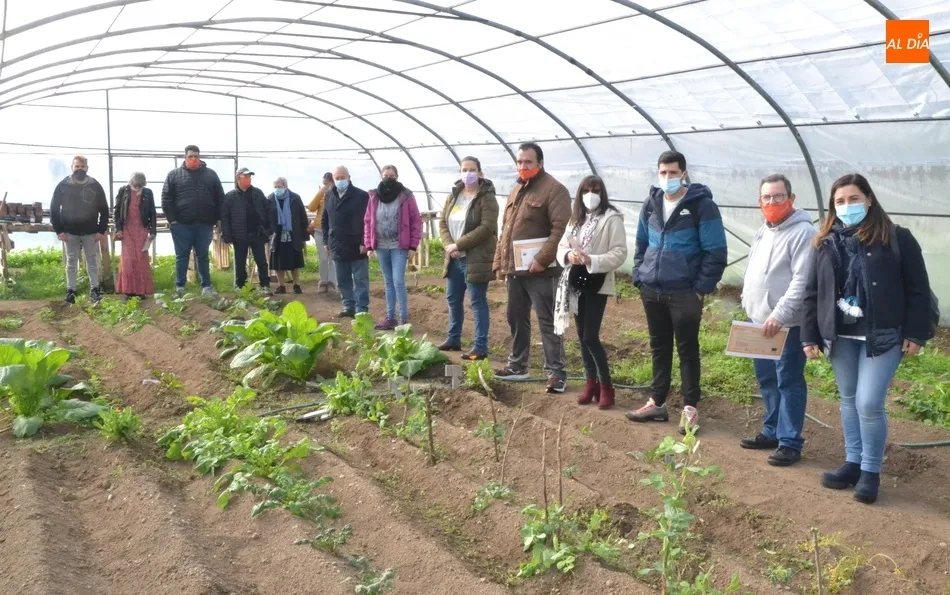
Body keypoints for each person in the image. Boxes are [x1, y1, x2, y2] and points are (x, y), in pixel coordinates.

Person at [803, 173, 934, 504]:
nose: (847, 206)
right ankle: (853, 462)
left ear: (870, 199)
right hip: (840, 336)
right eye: (840, 202)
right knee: (848, 400)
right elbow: (812, 293)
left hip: (883, 335)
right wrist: (809, 335)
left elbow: (917, 289)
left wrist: (916, 332)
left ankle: (871, 472)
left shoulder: (896, 238)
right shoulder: (825, 242)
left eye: (854, 199)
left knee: (868, 403)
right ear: (833, 206)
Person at [626, 150, 727, 434]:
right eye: (663, 172)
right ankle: (657, 402)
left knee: (687, 349)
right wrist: (639, 276)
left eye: (673, 172)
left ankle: (690, 407)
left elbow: (716, 252)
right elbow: (641, 244)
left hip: (684, 292)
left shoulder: (701, 206)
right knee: (659, 347)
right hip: (652, 289)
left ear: (683, 173)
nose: (667, 178)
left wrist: (700, 289)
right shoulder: (651, 203)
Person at [739, 174, 816, 466]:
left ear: (791, 198)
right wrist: (750, 305)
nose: (772, 202)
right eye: (767, 198)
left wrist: (779, 314)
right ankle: (771, 431)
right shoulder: (763, 230)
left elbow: (802, 280)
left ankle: (790, 441)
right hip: (759, 320)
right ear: (760, 202)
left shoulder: (803, 233)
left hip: (787, 324)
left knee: (789, 380)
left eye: (778, 196)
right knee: (767, 379)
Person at [492, 142, 571, 394]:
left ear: (540, 163)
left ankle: (556, 373)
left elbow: (560, 229)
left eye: (528, 162)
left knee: (547, 320)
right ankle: (518, 366)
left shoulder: (554, 190)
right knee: (516, 317)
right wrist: (499, 262)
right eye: (519, 162)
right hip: (516, 270)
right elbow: (505, 229)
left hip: (541, 271)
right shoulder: (517, 188)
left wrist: (542, 258)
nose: (523, 166)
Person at [554, 176, 628, 410]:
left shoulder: (611, 218)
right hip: (576, 282)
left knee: (590, 336)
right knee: (581, 335)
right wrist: (570, 256)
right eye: (586, 190)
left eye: (595, 190)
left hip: (597, 283)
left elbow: (619, 252)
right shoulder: (576, 219)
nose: (590, 194)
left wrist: (592, 260)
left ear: (602, 193)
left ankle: (606, 386)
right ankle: (591, 384)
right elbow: (562, 246)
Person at [438, 157, 498, 360]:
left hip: (475, 258)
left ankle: (480, 346)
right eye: (464, 169)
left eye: (472, 170)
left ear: (480, 173)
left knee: (477, 301)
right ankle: (453, 338)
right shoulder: (454, 195)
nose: (468, 173)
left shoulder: (486, 198)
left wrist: (459, 244)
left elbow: (486, 228)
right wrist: (449, 245)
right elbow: (442, 223)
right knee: (453, 299)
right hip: (454, 257)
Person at [161, 145, 225, 298]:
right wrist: (173, 220)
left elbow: (220, 198)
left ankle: (207, 287)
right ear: (185, 158)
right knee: (182, 255)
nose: (194, 159)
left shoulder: (211, 175)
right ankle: (180, 287)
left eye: (196, 156)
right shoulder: (174, 175)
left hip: (204, 224)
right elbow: (166, 199)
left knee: (203, 255)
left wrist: (218, 218)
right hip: (181, 224)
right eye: (191, 156)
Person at [364, 165, 422, 329]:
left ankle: (403, 318)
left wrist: (413, 245)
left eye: (392, 175)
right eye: (385, 175)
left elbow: (415, 220)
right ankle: (390, 318)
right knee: (388, 282)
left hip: (399, 245)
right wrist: (369, 245)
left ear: (397, 177)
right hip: (381, 245)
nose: (388, 178)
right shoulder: (374, 196)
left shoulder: (406, 196)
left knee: (398, 281)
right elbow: (368, 221)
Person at [50, 156, 109, 304]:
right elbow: (54, 209)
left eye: (82, 166)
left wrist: (101, 230)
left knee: (93, 261)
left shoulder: (95, 185)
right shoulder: (63, 186)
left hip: (90, 232)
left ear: (87, 168)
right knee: (71, 262)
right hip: (70, 232)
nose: (80, 169)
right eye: (77, 166)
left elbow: (104, 210)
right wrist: (59, 230)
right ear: (72, 167)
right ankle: (71, 291)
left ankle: (95, 290)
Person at [322, 165, 370, 318]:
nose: (340, 180)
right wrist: (326, 240)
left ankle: (361, 308)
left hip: (357, 244)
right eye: (337, 178)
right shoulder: (329, 195)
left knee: (360, 280)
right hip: (337, 243)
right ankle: (348, 306)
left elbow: (368, 221)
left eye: (343, 177)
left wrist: (365, 241)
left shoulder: (361, 196)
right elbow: (325, 219)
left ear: (349, 177)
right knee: (343, 280)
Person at [221, 168, 272, 293]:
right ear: (238, 178)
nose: (248, 179)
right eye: (246, 176)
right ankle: (241, 287)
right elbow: (225, 217)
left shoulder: (258, 193)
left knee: (262, 261)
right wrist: (227, 235)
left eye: (250, 177)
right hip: (239, 235)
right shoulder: (230, 196)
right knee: (240, 262)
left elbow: (268, 210)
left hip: (257, 233)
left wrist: (269, 229)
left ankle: (265, 286)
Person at [113, 172, 157, 299]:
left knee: (141, 258)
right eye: (135, 185)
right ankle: (128, 290)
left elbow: (152, 212)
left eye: (140, 185)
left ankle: (141, 290)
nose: (137, 188)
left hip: (142, 229)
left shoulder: (148, 193)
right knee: (128, 259)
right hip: (127, 229)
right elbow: (117, 211)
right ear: (131, 183)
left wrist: (153, 231)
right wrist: (118, 228)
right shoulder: (123, 191)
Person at [268, 177, 309, 294]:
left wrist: (304, 237)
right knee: (278, 262)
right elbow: (267, 218)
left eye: (279, 186)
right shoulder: (269, 199)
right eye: (275, 187)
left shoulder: (295, 198)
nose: (277, 189)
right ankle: (281, 286)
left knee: (295, 261)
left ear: (285, 186)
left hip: (293, 233)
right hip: (277, 235)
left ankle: (296, 284)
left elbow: (303, 217)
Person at [308, 172, 337, 293]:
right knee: (323, 257)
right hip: (320, 229)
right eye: (323, 183)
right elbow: (311, 207)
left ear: (333, 183)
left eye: (327, 183)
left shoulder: (337, 194)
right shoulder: (321, 194)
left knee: (333, 257)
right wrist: (320, 193)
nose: (325, 186)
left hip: (334, 230)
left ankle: (331, 282)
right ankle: (323, 281)